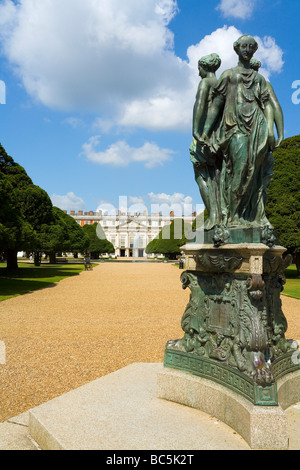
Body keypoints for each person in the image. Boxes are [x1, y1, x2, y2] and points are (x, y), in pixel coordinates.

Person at [200, 35, 282, 229]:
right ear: (236, 49)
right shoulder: (228, 75)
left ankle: (250, 216)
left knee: (254, 173)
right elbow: (216, 106)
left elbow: (270, 105)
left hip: (257, 126)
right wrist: (205, 131)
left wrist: (273, 130)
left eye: (251, 47)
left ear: (254, 51)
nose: (247, 50)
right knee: (240, 168)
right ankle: (232, 216)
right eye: (244, 46)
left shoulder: (259, 79)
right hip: (234, 126)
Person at [189, 53, 222, 229]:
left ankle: (213, 215)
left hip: (203, 137)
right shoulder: (223, 84)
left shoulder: (205, 83)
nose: (198, 73)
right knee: (218, 177)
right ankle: (222, 215)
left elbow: (199, 105)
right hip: (219, 137)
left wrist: (196, 130)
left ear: (205, 67)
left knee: (201, 176)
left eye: (199, 68)